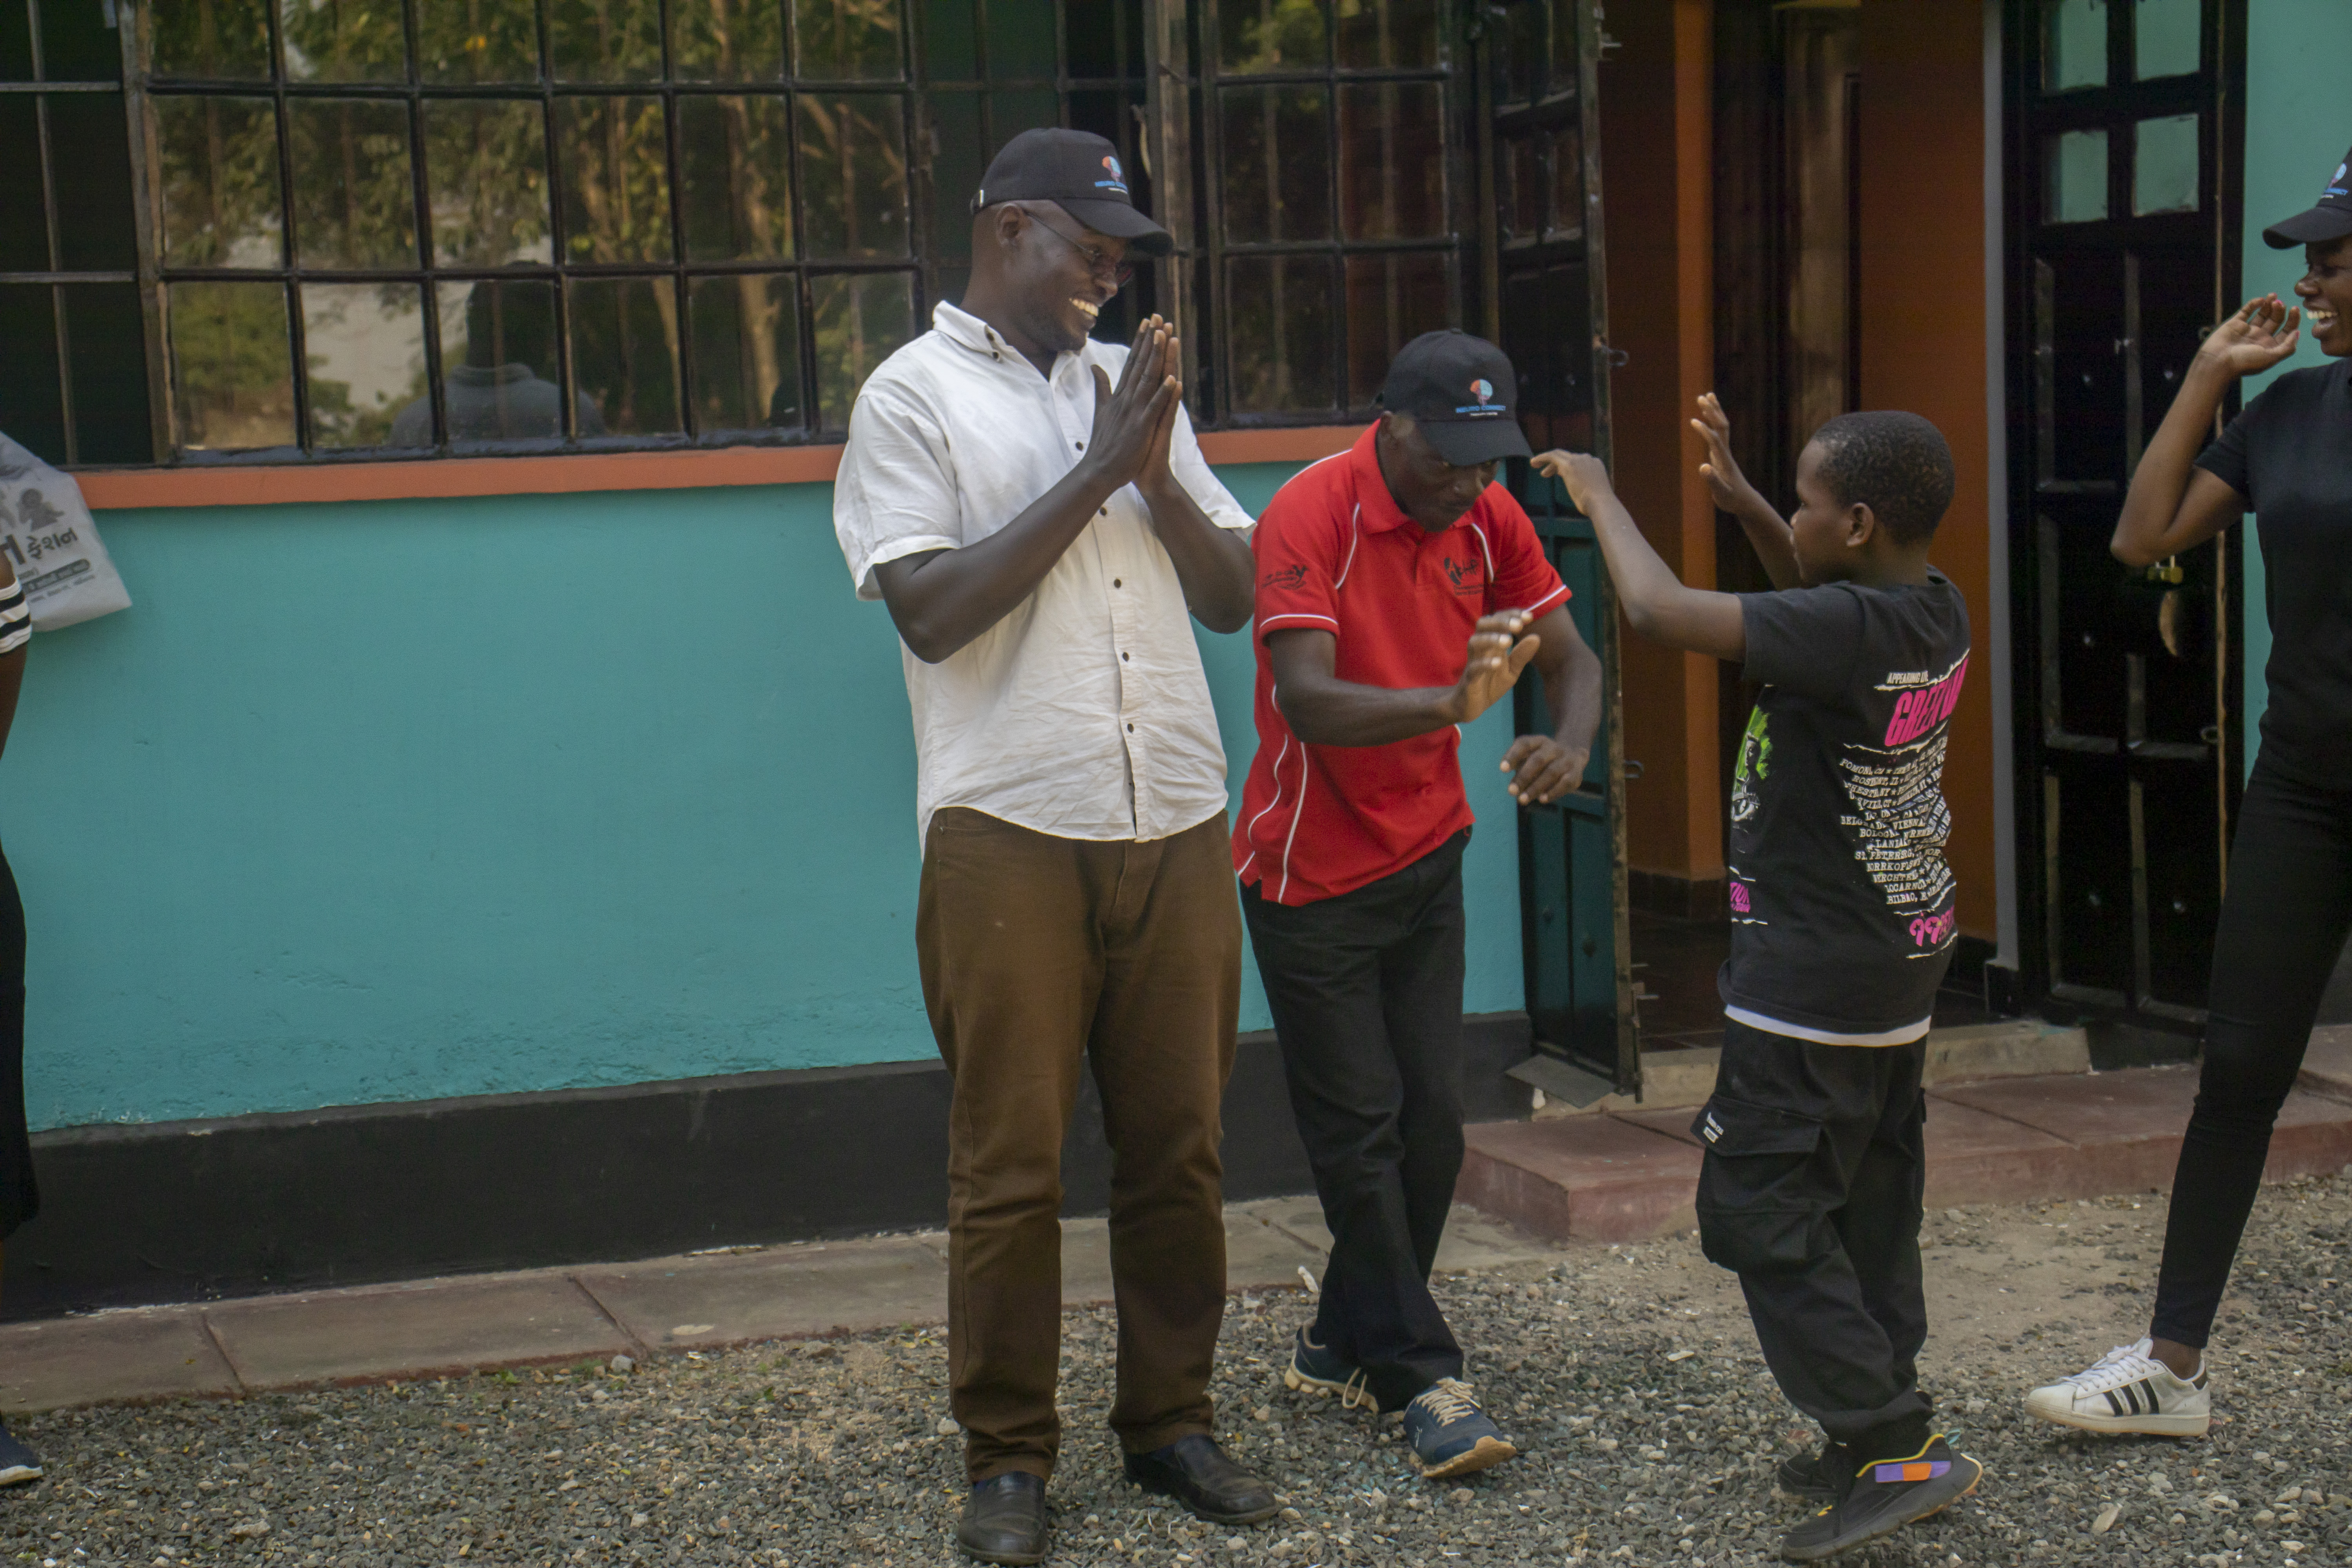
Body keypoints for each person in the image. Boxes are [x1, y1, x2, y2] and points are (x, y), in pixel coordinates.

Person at [831, 127, 1272, 1566]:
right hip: (1007, 822)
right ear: (1008, 229)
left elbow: (1232, 593)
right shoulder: (912, 399)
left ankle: (1172, 1423)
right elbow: (932, 610)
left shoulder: (1137, 398)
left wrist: (1149, 465)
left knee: (1180, 1149)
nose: (1110, 269)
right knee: (1011, 1164)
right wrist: (1097, 470)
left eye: (1122, 252)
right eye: (1088, 244)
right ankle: (1009, 1458)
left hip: (1177, 813)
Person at [1533, 401, 1982, 1561]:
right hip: (1894, 968)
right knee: (1867, 1202)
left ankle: (1893, 1444)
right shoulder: (1932, 606)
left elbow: (1654, 608)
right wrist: (1749, 507)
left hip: (1811, 985)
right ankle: (1880, 1421)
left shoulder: (1852, 625)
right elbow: (1822, 605)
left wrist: (1599, 494)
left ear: (1861, 520)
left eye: (1807, 501)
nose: (1797, 514)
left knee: (1756, 1207)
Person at [2022, 143, 2352, 1438]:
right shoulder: (2290, 416)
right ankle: (2170, 1366)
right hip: (2309, 787)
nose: (2313, 282)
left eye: (2333, 258)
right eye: (2312, 261)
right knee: (2240, 1067)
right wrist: (2210, 375)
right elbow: (2142, 535)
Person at [1238, 330, 1602, 1479]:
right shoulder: (1309, 512)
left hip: (1427, 855)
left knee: (1432, 1133)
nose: (1468, 482)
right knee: (1361, 1135)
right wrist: (1450, 704)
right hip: (1310, 877)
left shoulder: (1487, 515)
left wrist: (1570, 744)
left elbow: (1572, 658)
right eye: (1449, 456)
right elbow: (1307, 701)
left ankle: (1340, 1340)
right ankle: (1426, 1378)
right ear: (1391, 423)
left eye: (1487, 458)